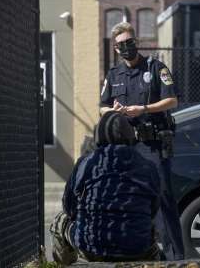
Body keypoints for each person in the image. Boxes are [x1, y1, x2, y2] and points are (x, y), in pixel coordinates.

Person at [100, 21, 184, 260]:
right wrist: (114, 111)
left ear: (136, 42)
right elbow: (102, 109)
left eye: (129, 42)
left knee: (163, 199)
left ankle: (176, 259)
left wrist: (144, 108)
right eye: (121, 45)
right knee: (130, 201)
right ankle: (140, 256)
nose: (126, 47)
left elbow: (173, 101)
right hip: (126, 148)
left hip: (154, 146)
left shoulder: (156, 68)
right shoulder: (114, 75)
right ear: (115, 49)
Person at [50, 111, 161, 265]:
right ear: (131, 136)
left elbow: (69, 207)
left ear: (98, 136)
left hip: (91, 246)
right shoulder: (147, 166)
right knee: (150, 231)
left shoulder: (86, 163)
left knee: (59, 221)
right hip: (136, 247)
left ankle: (71, 263)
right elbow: (153, 208)